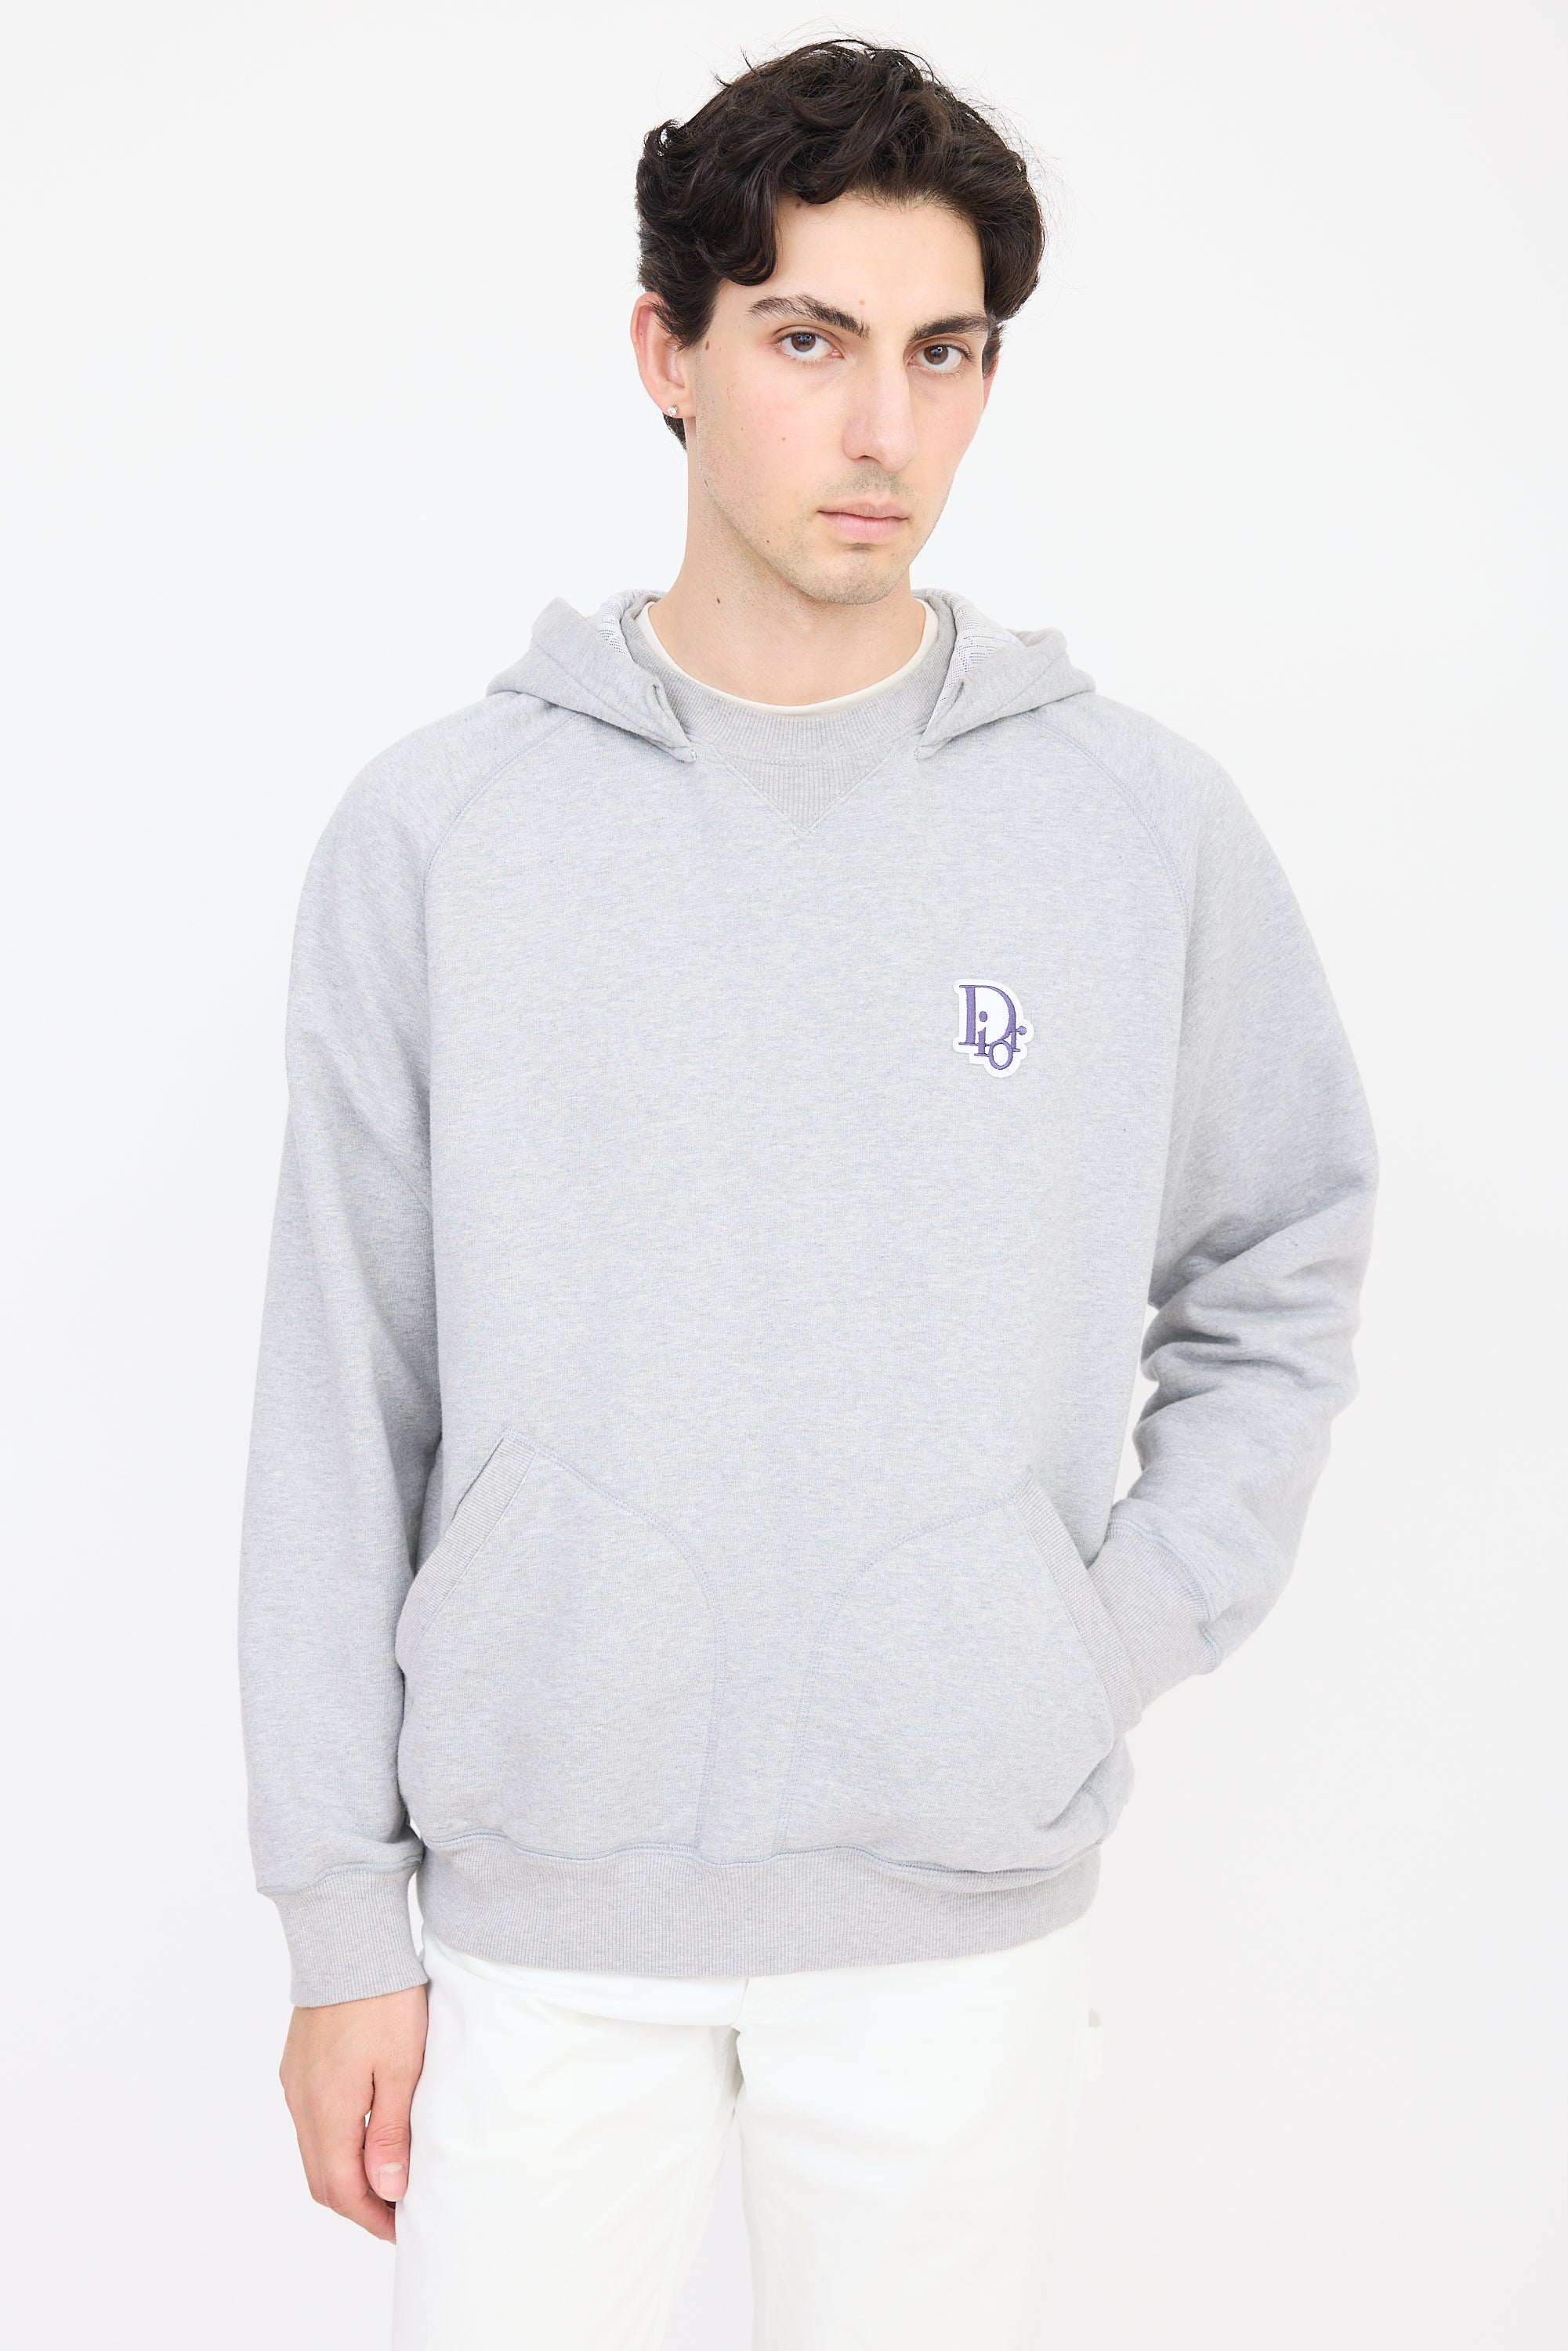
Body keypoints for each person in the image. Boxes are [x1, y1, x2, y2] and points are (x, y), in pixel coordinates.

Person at [238, 36, 1378, 2351]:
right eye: (808, 340)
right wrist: (341, 1921)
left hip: (953, 1914)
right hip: (540, 1923)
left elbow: (1282, 1247)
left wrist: (1093, 1642)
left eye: (942, 354)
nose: (881, 428)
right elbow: (341, 1388)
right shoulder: (445, 834)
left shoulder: (1132, 827)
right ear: (667, 353)